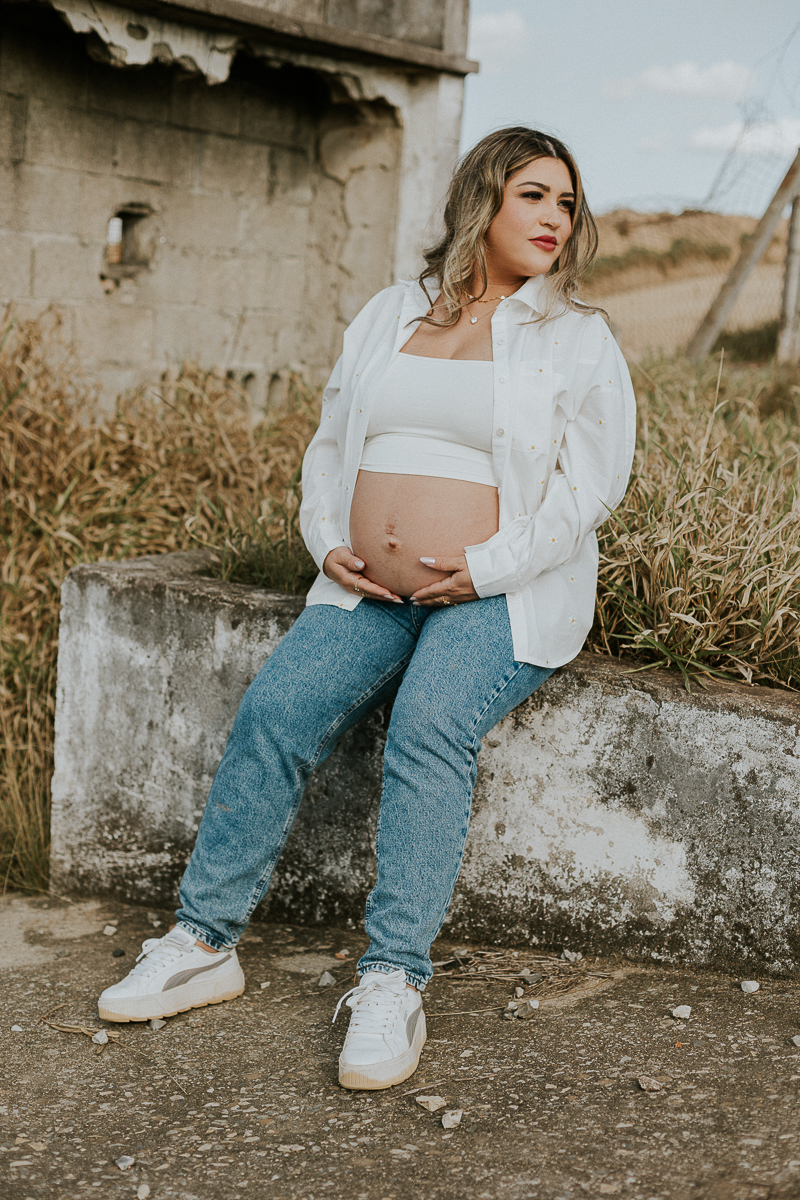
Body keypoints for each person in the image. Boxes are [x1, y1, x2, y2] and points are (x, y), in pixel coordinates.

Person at [97, 126, 636, 1091]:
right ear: (481, 199)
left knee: (430, 726)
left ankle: (392, 977)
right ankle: (203, 942)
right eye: (534, 196)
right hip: (368, 587)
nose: (557, 217)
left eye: (567, 201)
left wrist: (488, 565)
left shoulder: (577, 337)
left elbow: (590, 488)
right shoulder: (392, 312)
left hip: (500, 594)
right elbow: (330, 446)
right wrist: (327, 544)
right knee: (275, 712)